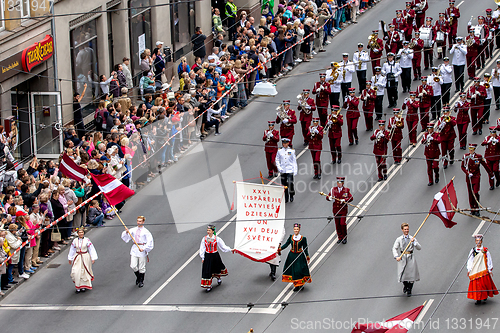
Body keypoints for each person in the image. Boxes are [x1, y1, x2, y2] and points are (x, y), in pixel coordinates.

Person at [121, 216, 154, 288]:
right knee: (133, 265)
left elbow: (149, 241)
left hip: (141, 248)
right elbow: (127, 237)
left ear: (143, 222)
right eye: (138, 221)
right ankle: (138, 277)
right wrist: (127, 232)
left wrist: (144, 248)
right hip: (135, 249)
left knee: (141, 266)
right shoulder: (133, 230)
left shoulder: (146, 231)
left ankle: (141, 281)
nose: (138, 222)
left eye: (140, 221)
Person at [461, 143, 493, 216]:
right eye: (470, 150)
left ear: (474, 150)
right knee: (470, 194)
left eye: (472, 150)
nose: (471, 151)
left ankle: (477, 208)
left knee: (475, 192)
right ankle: (472, 209)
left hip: (476, 176)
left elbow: (485, 165)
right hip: (469, 177)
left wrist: (491, 174)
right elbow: (462, 166)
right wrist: (467, 173)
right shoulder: (466, 157)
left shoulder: (478, 157)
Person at [467, 234, 498, 305]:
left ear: (481, 241)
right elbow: (470, 260)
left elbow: (489, 259)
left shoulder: (485, 250)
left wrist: (489, 270)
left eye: (480, 241)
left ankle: (484, 297)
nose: (478, 242)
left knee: (483, 284)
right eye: (477, 241)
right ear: (475, 241)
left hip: (483, 270)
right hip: (475, 270)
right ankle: (478, 299)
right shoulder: (472, 250)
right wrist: (469, 269)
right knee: (476, 285)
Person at [392, 223, 421, 297]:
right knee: (402, 274)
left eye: (407, 229)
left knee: (412, 275)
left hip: (410, 257)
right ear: (402, 230)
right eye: (405, 229)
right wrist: (396, 256)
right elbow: (394, 248)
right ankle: (405, 285)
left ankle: (409, 290)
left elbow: (419, 247)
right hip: (403, 257)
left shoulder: (412, 238)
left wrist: (414, 242)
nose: (406, 231)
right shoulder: (399, 239)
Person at [200, 225, 232, 292]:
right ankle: (209, 286)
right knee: (207, 270)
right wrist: (203, 257)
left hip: (215, 255)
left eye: (209, 230)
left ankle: (218, 278)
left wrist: (230, 249)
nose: (208, 232)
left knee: (216, 268)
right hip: (208, 256)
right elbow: (202, 248)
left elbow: (223, 247)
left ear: (213, 231)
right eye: (207, 230)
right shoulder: (204, 239)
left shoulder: (217, 239)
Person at [279, 223, 311, 292]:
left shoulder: (303, 238)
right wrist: (280, 249)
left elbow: (305, 248)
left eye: (297, 229)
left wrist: (307, 256)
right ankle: (296, 285)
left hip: (299, 256)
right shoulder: (291, 237)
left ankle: (301, 284)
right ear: (293, 230)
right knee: (293, 270)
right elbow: (286, 244)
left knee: (299, 270)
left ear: (299, 230)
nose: (296, 230)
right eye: (295, 229)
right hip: (292, 255)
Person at [68, 228, 98, 293]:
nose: (81, 234)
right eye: (79, 232)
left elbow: (91, 248)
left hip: (85, 257)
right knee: (76, 271)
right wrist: (70, 258)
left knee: (84, 271)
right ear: (77, 233)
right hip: (77, 257)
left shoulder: (87, 240)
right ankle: (77, 286)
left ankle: (83, 286)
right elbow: (72, 249)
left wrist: (93, 258)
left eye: (82, 232)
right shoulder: (75, 241)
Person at [326, 176, 353, 244]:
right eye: (338, 182)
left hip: (343, 209)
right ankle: (340, 237)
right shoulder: (333, 190)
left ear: (343, 183)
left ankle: (344, 237)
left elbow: (351, 198)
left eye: (340, 183)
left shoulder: (346, 190)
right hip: (336, 209)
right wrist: (330, 198)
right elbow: (327, 197)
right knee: (337, 224)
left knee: (342, 223)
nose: (339, 184)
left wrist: (345, 200)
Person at [275, 138, 297, 203]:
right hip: (283, 170)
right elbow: (277, 160)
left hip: (290, 170)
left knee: (290, 183)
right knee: (284, 185)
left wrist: (295, 170)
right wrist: (279, 168)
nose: (284, 144)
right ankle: (286, 197)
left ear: (288, 143)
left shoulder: (292, 151)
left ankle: (292, 194)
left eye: (285, 143)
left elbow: (294, 161)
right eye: (283, 143)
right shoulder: (279, 151)